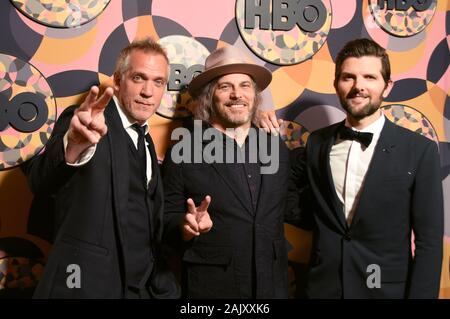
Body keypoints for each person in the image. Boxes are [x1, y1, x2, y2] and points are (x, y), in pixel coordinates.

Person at [263, 38, 444, 298]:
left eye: (369, 77)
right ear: (336, 84)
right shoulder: (317, 143)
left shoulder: (419, 150)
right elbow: (285, 189)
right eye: (348, 77)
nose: (358, 87)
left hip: (384, 291)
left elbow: (429, 242)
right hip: (322, 289)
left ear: (387, 86)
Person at [22, 38, 180, 298]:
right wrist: (73, 146)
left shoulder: (147, 140)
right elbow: (40, 182)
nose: (148, 92)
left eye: (158, 82)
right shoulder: (87, 122)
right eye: (138, 78)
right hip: (85, 287)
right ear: (117, 81)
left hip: (142, 288)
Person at [162, 46, 302, 298]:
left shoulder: (275, 147)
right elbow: (167, 217)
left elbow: (290, 205)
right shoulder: (182, 152)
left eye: (245, 86)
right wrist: (185, 226)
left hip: (272, 285)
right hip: (212, 288)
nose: (237, 94)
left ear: (255, 95)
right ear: (209, 96)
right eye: (225, 87)